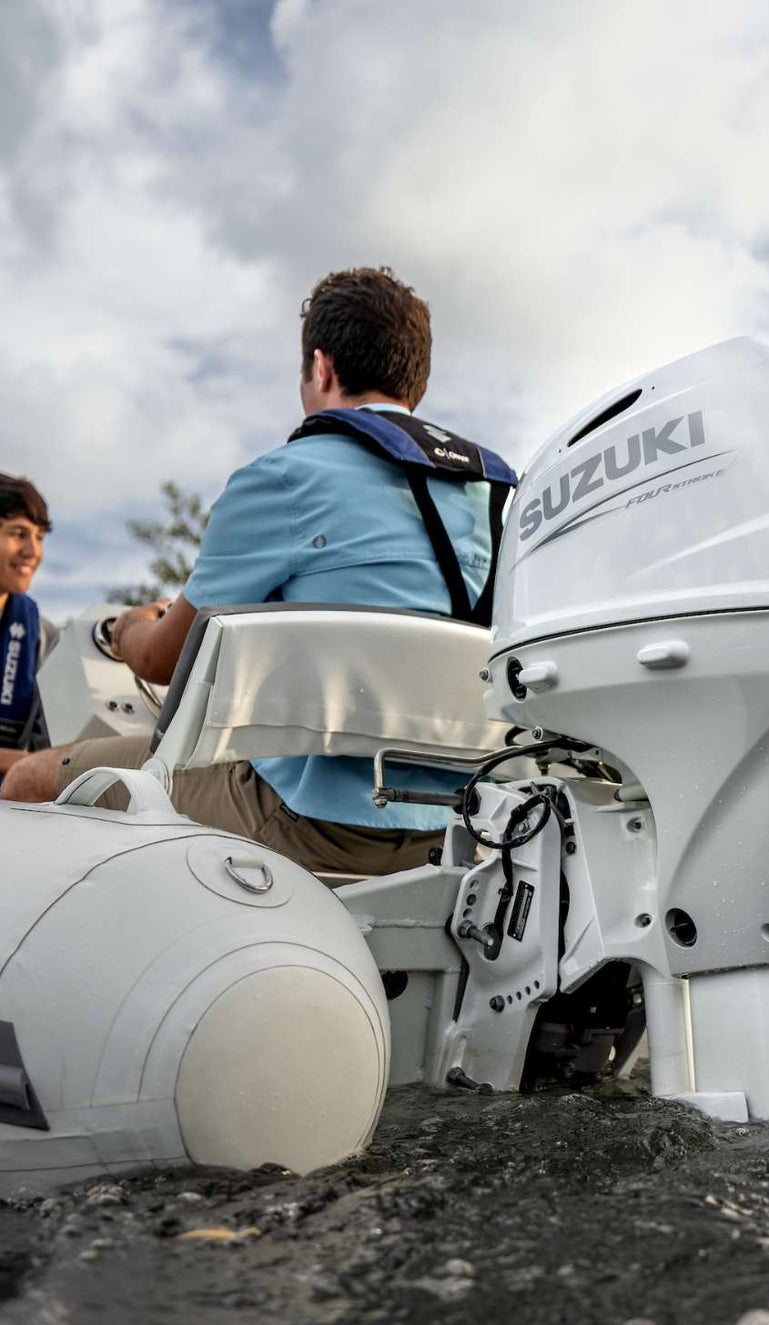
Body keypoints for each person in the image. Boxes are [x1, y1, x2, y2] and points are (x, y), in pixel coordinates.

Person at [3, 268, 516, 874]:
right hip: (465, 826)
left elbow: (163, 663)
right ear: (416, 387)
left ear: (320, 368)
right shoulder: (495, 498)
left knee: (31, 782)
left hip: (309, 819)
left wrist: (125, 631)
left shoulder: (284, 478)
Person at [0, 474, 58, 776]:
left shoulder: (42, 637)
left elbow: (48, 738)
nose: (33, 552)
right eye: (19, 533)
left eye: (39, 537)